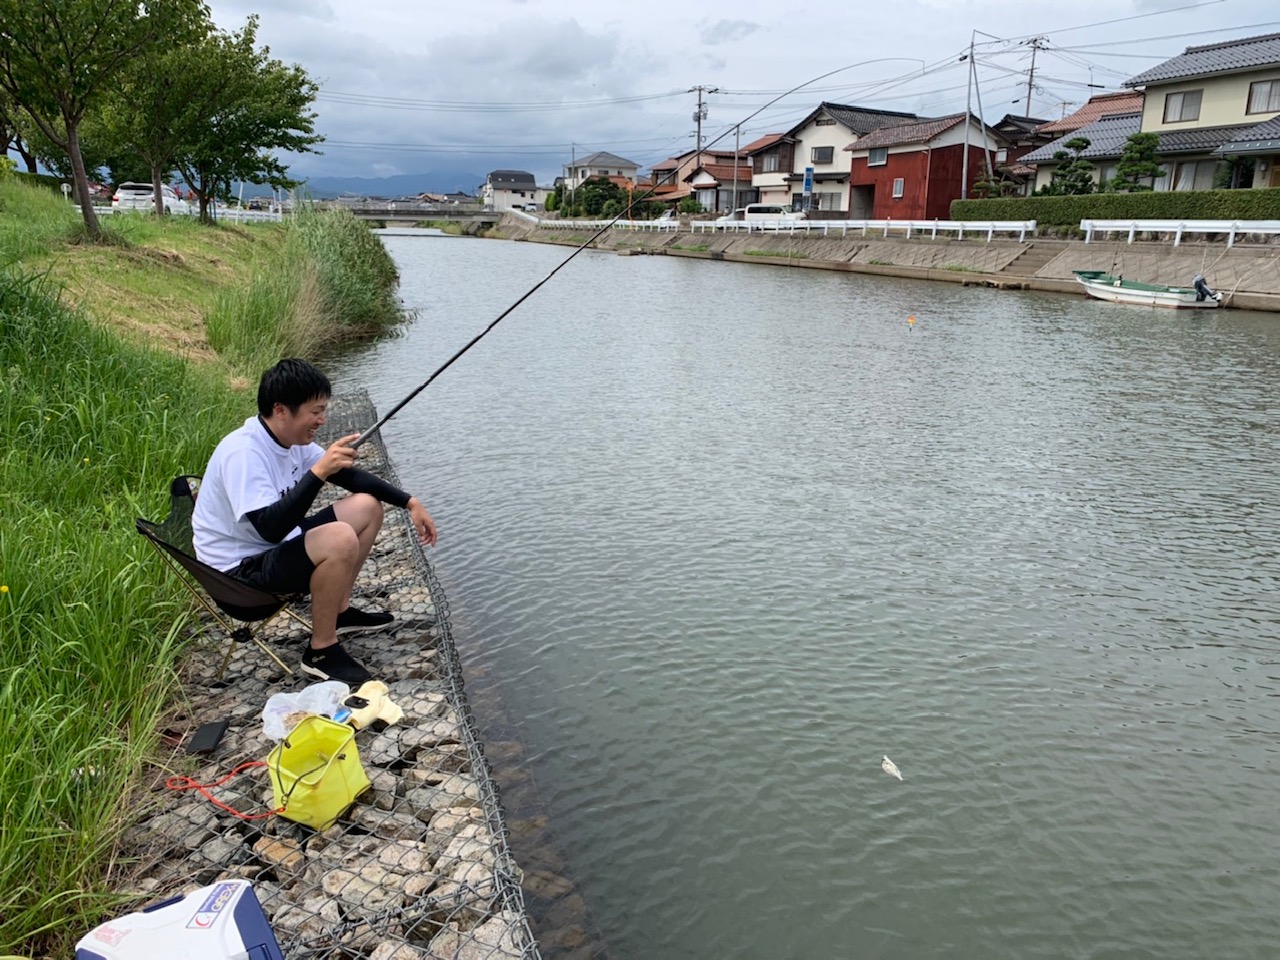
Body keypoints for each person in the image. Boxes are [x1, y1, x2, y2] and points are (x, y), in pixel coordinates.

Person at [192, 358, 438, 684]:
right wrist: (319, 471)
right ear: (281, 410)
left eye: (324, 411)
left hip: (270, 548)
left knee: (367, 506)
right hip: (239, 580)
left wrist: (410, 502)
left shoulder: (290, 441)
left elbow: (350, 478)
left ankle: (338, 612)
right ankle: (321, 649)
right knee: (340, 538)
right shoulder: (244, 453)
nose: (322, 420)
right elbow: (270, 529)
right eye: (316, 412)